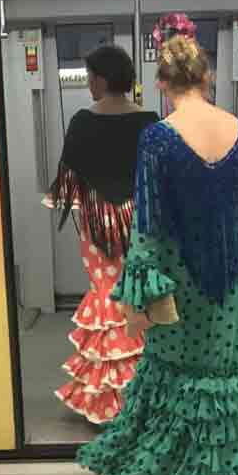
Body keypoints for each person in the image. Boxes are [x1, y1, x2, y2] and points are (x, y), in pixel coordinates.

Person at [77, 14, 238, 475]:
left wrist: (137, 292)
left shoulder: (157, 138)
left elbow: (146, 227)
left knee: (172, 383)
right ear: (208, 77)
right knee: (228, 379)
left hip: (176, 285)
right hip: (234, 283)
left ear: (163, 84)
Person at [46, 44, 160, 425]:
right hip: (140, 223)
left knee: (106, 297)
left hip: (97, 223)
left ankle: (108, 396)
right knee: (139, 298)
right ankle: (142, 394)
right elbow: (158, 179)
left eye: (91, 75)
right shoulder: (149, 121)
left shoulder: (82, 121)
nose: (89, 83)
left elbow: (69, 179)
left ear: (102, 78)